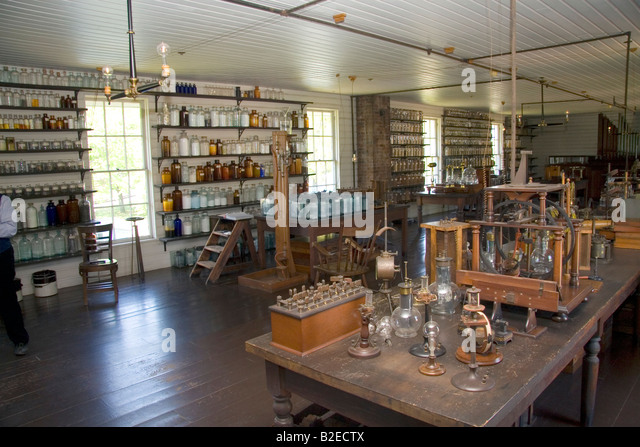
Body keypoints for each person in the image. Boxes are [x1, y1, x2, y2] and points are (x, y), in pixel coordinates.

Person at [0, 194, 29, 356]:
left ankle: (20, 340)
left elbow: (11, 228)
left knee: (7, 299)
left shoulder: (3, 201)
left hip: (1, 256)